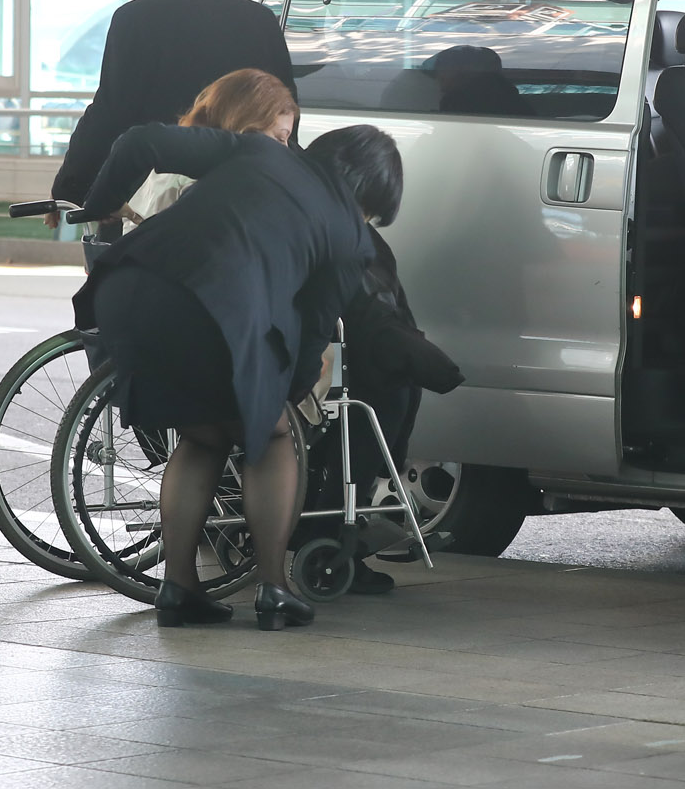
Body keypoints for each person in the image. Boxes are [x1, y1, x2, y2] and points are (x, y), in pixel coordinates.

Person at [73, 121, 390, 630]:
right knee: (273, 437)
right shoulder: (349, 234)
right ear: (365, 194)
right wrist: (286, 393)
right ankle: (273, 589)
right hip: (208, 309)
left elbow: (137, 141)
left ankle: (179, 588)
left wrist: (99, 205)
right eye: (372, 211)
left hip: (127, 289)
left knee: (203, 436)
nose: (367, 221)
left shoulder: (255, 150)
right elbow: (313, 332)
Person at [48, 0, 296, 225]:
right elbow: (284, 103)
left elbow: (111, 112)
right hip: (248, 189)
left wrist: (71, 188)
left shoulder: (136, 18)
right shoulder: (259, 19)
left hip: (154, 198)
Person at [305, 126, 464, 595]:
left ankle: (336, 529)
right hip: (353, 362)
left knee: (386, 392)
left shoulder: (330, 228)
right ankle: (334, 533)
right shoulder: (348, 239)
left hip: (351, 356)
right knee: (385, 400)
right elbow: (374, 316)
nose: (368, 218)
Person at [119, 68, 298, 228]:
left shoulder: (181, 159)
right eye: (280, 138)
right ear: (247, 130)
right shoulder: (204, 182)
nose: (285, 150)